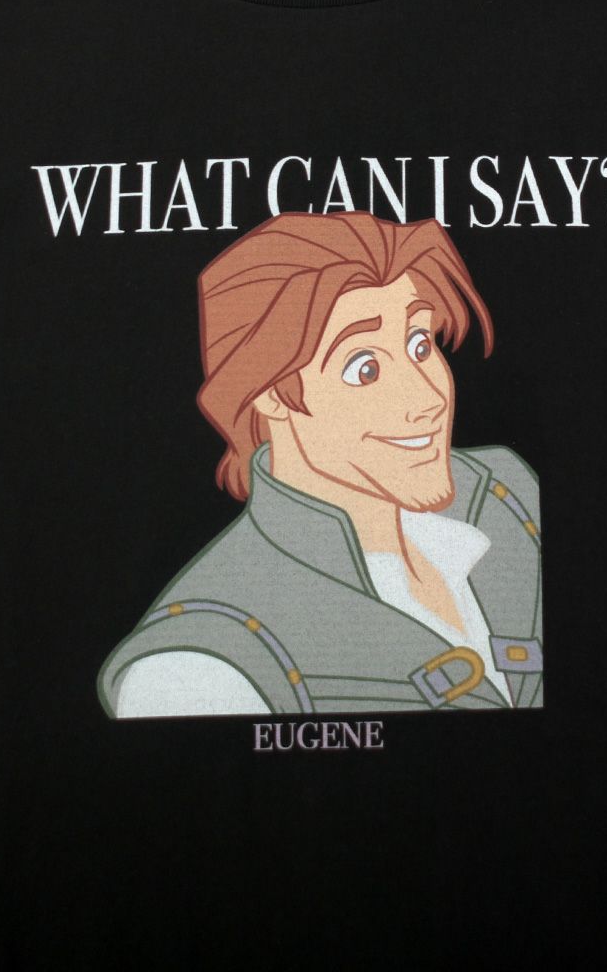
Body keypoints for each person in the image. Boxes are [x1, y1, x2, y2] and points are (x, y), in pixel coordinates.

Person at [96, 210, 543, 716]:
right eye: (365, 368)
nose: (428, 398)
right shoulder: (199, 667)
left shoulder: (508, 495)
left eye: (420, 345)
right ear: (269, 394)